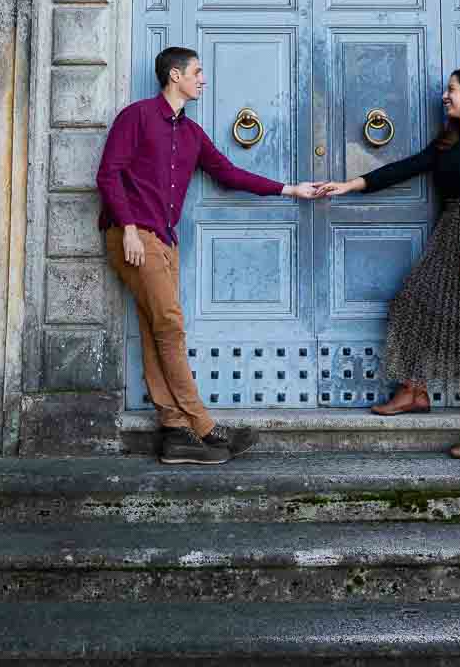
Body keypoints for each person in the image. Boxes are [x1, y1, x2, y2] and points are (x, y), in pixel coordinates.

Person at [97, 46, 319, 466]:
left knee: (154, 328)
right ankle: (203, 425)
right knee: (170, 326)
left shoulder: (192, 133)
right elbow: (108, 173)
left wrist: (290, 189)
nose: (203, 80)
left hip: (164, 240)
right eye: (197, 72)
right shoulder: (138, 116)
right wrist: (126, 228)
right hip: (135, 236)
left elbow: (229, 174)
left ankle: (174, 431)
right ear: (175, 75)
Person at [316, 68, 460, 460]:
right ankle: (415, 389)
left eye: (451, 91)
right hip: (450, 234)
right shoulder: (449, 142)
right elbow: (405, 168)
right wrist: (350, 185)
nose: (445, 97)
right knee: (412, 302)